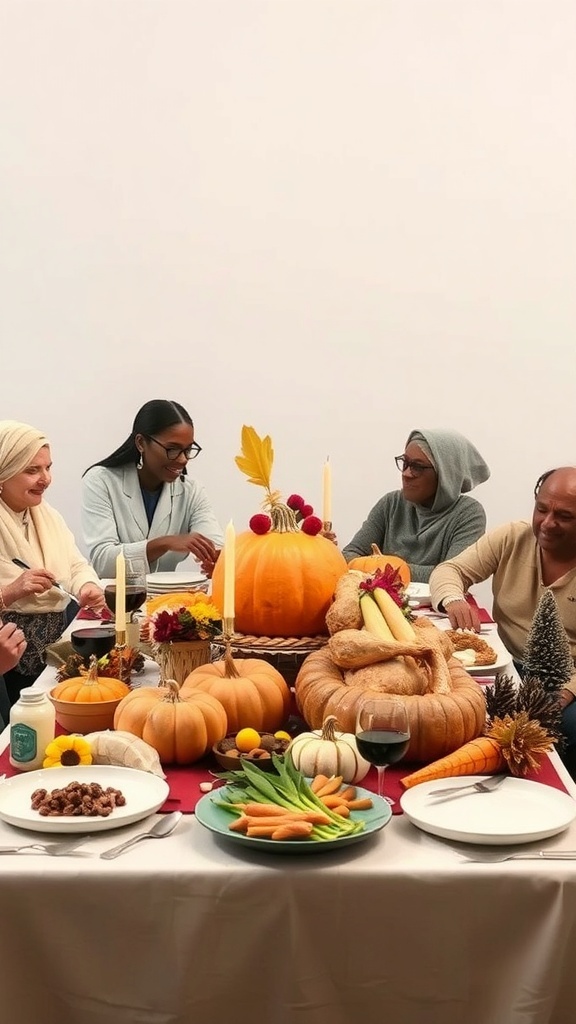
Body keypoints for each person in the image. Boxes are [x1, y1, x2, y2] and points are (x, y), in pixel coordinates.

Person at [429, 466, 576, 774]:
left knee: (566, 730)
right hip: (502, 665)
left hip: (563, 683)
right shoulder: (513, 536)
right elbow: (450, 571)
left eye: (564, 516)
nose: (547, 523)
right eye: (541, 509)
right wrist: (453, 598)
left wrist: (567, 691)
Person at [0, 420, 106, 702]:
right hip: (9, 661)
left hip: (57, 649)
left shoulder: (46, 515)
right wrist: (13, 590)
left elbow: (75, 565)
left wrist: (86, 587)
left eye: (48, 467)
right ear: (3, 472)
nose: (45, 479)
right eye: (32, 470)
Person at [82, 399, 224, 580]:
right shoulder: (101, 481)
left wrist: (218, 561)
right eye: (172, 449)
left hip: (171, 603)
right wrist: (165, 543)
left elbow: (215, 544)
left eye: (188, 450)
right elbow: (103, 563)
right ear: (141, 443)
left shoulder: (192, 491)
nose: (182, 459)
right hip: (117, 603)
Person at [341, 428, 490, 582]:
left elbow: (453, 575)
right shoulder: (391, 504)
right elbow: (349, 554)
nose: (406, 473)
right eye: (405, 463)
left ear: (446, 474)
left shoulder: (468, 514)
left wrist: (381, 566)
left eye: (417, 467)